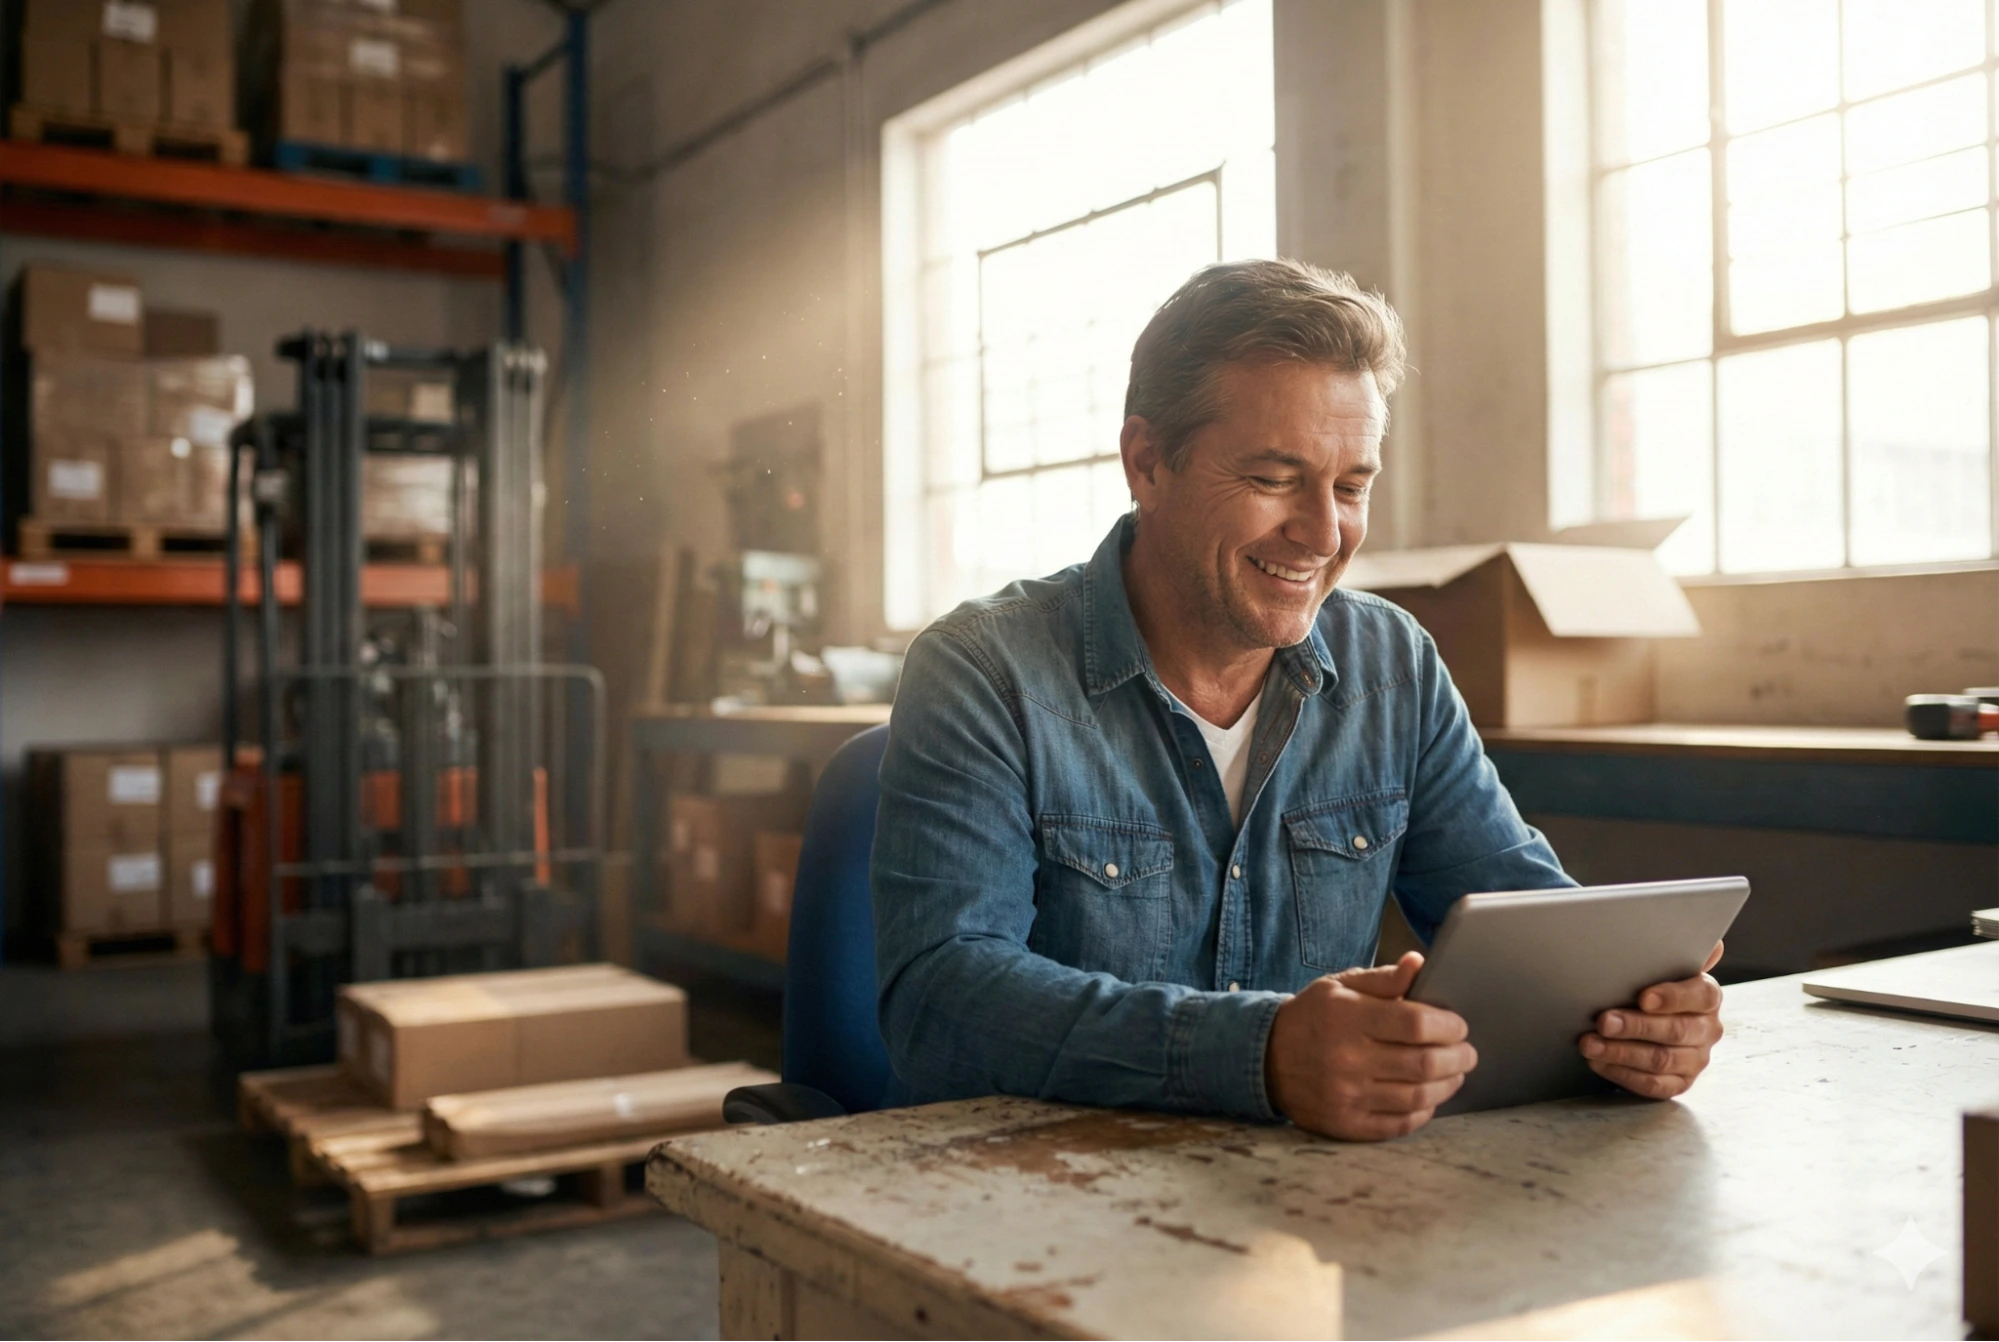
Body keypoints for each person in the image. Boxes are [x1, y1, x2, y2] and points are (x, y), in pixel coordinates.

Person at [871, 259, 1725, 1140]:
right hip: (1030, 1196)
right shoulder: (983, 668)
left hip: (1305, 1208)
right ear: (1146, 463)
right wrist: (1261, 1052)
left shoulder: (1390, 665)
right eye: (1274, 479)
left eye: (1351, 486)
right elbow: (940, 1000)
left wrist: (1633, 1022)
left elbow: (1532, 932)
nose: (1323, 534)